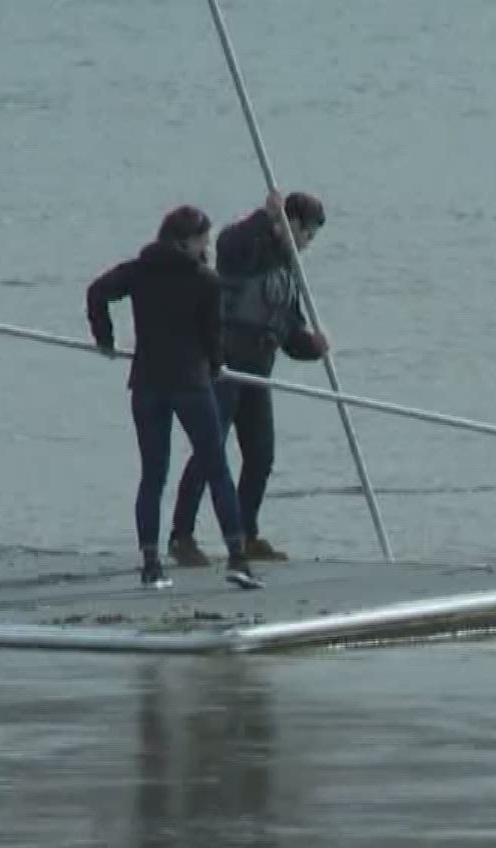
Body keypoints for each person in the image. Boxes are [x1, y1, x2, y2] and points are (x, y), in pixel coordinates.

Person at [87, 204, 265, 591]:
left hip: (147, 383)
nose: (207, 247)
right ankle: (237, 559)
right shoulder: (204, 280)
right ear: (187, 240)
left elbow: (97, 292)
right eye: (203, 239)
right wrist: (216, 365)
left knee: (153, 475)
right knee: (217, 469)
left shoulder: (138, 270)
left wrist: (104, 339)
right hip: (191, 384)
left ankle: (151, 565)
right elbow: (212, 335)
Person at [165, 189, 330, 568]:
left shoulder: (289, 272)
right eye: (306, 235)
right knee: (210, 452)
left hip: (259, 373)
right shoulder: (249, 250)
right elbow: (228, 243)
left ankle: (247, 533)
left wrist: (313, 347)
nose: (307, 245)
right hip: (226, 368)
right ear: (291, 226)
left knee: (261, 455)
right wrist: (266, 217)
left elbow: (288, 332)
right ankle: (182, 536)